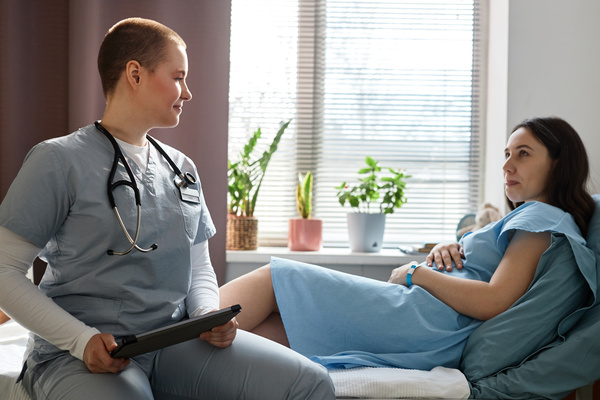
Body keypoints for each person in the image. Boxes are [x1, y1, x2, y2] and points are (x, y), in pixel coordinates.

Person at [0, 18, 335, 400]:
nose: (187, 92)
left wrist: (209, 313)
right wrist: (81, 340)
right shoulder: (58, 160)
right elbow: (3, 271)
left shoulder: (182, 170)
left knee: (311, 383)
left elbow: (198, 264)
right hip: (76, 354)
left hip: (173, 342)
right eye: (178, 77)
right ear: (135, 74)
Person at [220, 116, 596, 371]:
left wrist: (417, 273)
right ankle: (179, 362)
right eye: (507, 155)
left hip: (428, 321)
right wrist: (449, 249)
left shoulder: (542, 218)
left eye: (524, 154)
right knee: (274, 326)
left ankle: (170, 345)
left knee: (275, 279)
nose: (507, 165)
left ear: (559, 164)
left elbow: (495, 300)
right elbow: (485, 269)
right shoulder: (532, 219)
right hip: (431, 322)